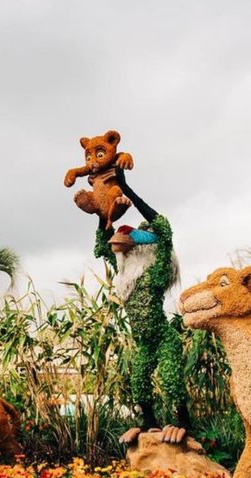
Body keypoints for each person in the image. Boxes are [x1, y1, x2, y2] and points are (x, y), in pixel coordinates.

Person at [95, 170, 191, 444]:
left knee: (171, 378)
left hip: (163, 338)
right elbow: (104, 245)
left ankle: (183, 423)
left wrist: (126, 187)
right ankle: (149, 423)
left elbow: (162, 227)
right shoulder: (125, 272)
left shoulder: (157, 270)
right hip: (144, 342)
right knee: (139, 381)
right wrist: (105, 215)